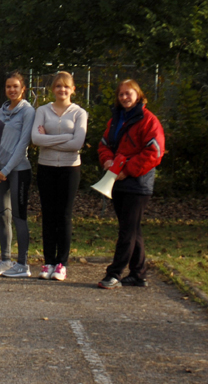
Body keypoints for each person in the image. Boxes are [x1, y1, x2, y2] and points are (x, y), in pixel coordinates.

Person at [97, 80, 164, 289]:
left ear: (138, 95)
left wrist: (128, 170)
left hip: (138, 183)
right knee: (133, 229)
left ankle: (114, 273)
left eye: (129, 93)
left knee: (127, 230)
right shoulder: (116, 119)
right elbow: (104, 144)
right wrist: (107, 161)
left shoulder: (149, 120)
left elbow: (155, 152)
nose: (125, 97)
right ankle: (138, 273)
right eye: (121, 94)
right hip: (117, 181)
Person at [31, 71, 88, 281]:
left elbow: (77, 143)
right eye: (58, 86)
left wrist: (52, 138)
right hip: (46, 168)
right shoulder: (43, 110)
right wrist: (66, 138)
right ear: (52, 89)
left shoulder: (79, 113)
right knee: (48, 214)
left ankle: (62, 263)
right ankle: (48, 262)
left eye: (66, 87)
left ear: (73, 89)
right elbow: (36, 139)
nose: (62, 90)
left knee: (64, 215)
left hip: (69, 169)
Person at [0, 72, 36, 278]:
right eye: (8, 87)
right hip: (0, 172)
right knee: (2, 215)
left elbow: (23, 144)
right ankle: (5, 260)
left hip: (18, 171)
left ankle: (22, 264)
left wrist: (6, 171)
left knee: (18, 216)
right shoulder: (1, 112)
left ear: (22, 89)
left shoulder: (28, 111)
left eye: (16, 86)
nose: (12, 90)